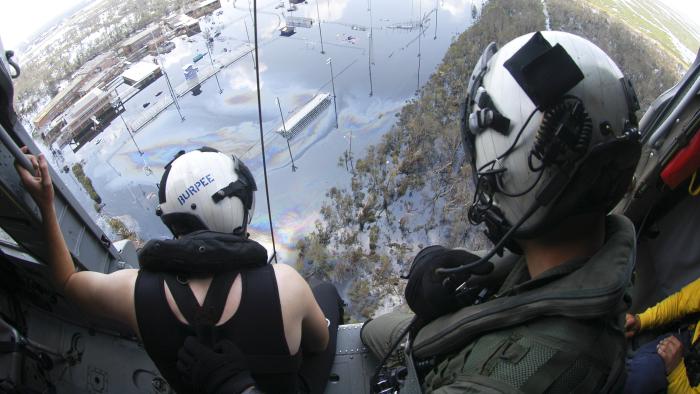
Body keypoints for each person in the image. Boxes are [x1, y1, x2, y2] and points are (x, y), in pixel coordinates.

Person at [175, 31, 643, 393]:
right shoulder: (587, 250)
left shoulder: (521, 377)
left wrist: (236, 387)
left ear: (515, 182)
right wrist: (482, 272)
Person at [359, 30, 642, 392]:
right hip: (494, 328)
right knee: (373, 331)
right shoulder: (611, 254)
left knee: (370, 332)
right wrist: (480, 269)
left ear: (509, 183)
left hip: (468, 362)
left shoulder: (504, 383)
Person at [14, 146, 341, 394]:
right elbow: (319, 343)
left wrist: (46, 202)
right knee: (325, 292)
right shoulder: (285, 285)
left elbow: (68, 280)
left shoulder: (133, 293)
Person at [624, 276, 700, 394]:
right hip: (691, 339)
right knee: (642, 370)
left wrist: (675, 371)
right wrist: (640, 321)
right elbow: (680, 302)